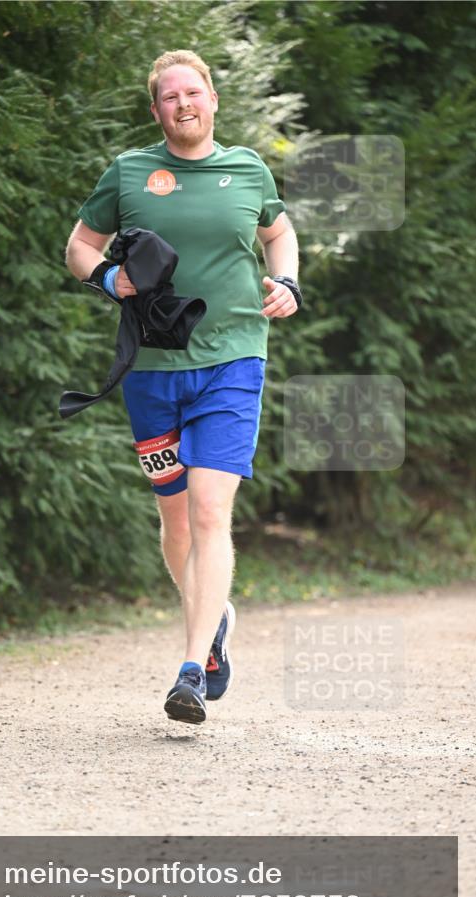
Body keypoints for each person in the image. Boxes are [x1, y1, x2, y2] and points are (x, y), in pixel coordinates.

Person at [65, 49, 300, 725]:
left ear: (213, 99)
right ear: (155, 110)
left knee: (206, 512)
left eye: (192, 93)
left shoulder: (247, 169)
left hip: (232, 361)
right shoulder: (130, 173)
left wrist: (285, 282)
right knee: (173, 521)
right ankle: (215, 616)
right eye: (169, 97)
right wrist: (108, 279)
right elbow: (79, 245)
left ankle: (193, 668)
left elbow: (279, 234)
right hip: (151, 372)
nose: (183, 104)